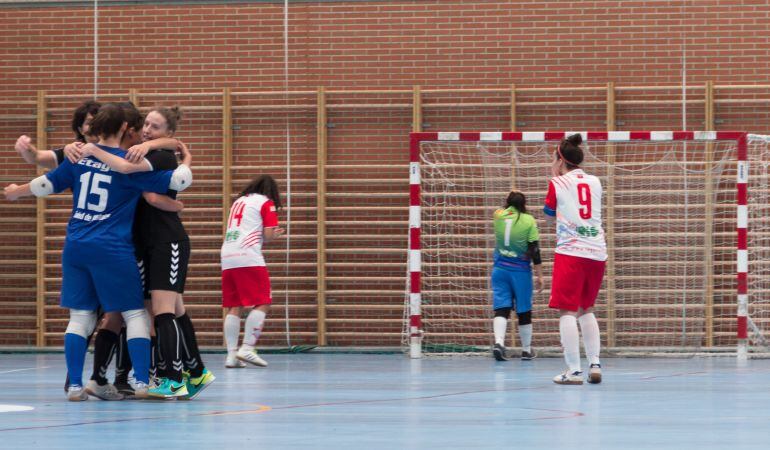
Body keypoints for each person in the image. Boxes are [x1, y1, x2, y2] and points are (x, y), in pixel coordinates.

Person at [4, 103, 193, 401]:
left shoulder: (78, 156)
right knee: (135, 314)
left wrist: (16, 192)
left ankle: (76, 386)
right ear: (124, 130)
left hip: (76, 246)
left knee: (80, 317)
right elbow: (180, 180)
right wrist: (187, 160)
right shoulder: (127, 163)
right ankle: (142, 382)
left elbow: (43, 185)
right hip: (112, 248)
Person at [79, 106, 214, 399]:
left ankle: (174, 379)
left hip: (167, 241)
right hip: (143, 244)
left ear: (167, 132)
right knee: (171, 309)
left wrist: (174, 200)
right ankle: (197, 371)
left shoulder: (159, 155)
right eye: (147, 124)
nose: (147, 130)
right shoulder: (142, 150)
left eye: (155, 127)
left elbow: (152, 194)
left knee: (164, 310)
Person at [543, 134, 606, 385]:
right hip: (597, 251)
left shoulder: (557, 182)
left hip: (571, 252)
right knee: (586, 308)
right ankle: (595, 363)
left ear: (560, 160)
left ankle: (574, 370)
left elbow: (549, 216)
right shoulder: (595, 181)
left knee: (567, 311)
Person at [221, 175, 284, 368]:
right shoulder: (266, 203)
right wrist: (274, 235)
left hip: (228, 255)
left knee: (235, 305)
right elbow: (267, 234)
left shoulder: (238, 201)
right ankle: (247, 348)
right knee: (263, 301)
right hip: (248, 256)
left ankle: (231, 355)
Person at [490, 191, 543, 361]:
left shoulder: (498, 215)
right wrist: (540, 275)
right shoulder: (528, 220)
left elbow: (503, 210)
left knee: (501, 307)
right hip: (520, 272)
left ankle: (499, 343)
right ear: (524, 204)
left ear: (507, 202)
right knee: (524, 310)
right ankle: (526, 350)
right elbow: (534, 250)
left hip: (499, 270)